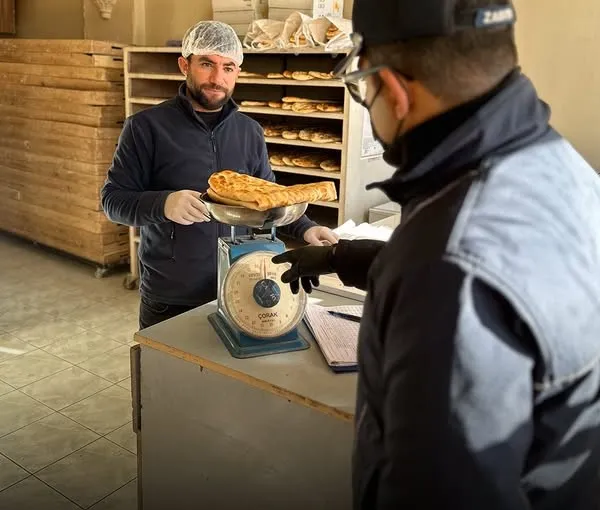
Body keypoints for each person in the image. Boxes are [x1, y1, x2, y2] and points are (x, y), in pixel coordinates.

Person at [272, 1, 600, 508]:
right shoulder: (562, 169)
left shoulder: (448, 261)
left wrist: (414, 269)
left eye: (363, 87)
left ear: (396, 92)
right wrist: (347, 257)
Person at [101, 20, 337, 329]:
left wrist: (307, 229)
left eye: (228, 67)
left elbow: (269, 199)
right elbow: (113, 201)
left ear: (238, 72)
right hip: (172, 295)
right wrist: (163, 204)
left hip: (242, 281)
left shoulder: (249, 131)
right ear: (184, 64)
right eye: (206, 64)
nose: (217, 78)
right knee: (170, 376)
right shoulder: (146, 128)